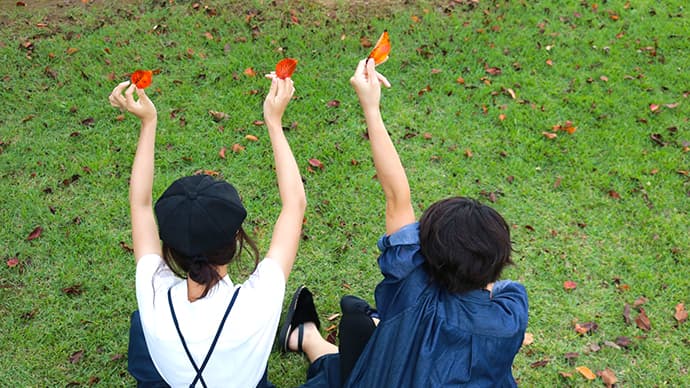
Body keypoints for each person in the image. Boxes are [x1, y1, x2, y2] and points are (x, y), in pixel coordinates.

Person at [280, 59, 529, 387]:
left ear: (426, 255)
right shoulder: (511, 314)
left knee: (359, 330)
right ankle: (316, 335)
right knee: (364, 325)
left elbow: (397, 196)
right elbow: (499, 290)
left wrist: (371, 107)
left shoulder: (412, 283)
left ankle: (308, 337)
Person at [108, 71, 305, 387]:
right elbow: (294, 205)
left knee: (139, 325)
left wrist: (148, 123)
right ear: (235, 240)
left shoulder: (154, 294)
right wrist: (274, 122)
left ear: (169, 248)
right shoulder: (257, 305)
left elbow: (140, 205)